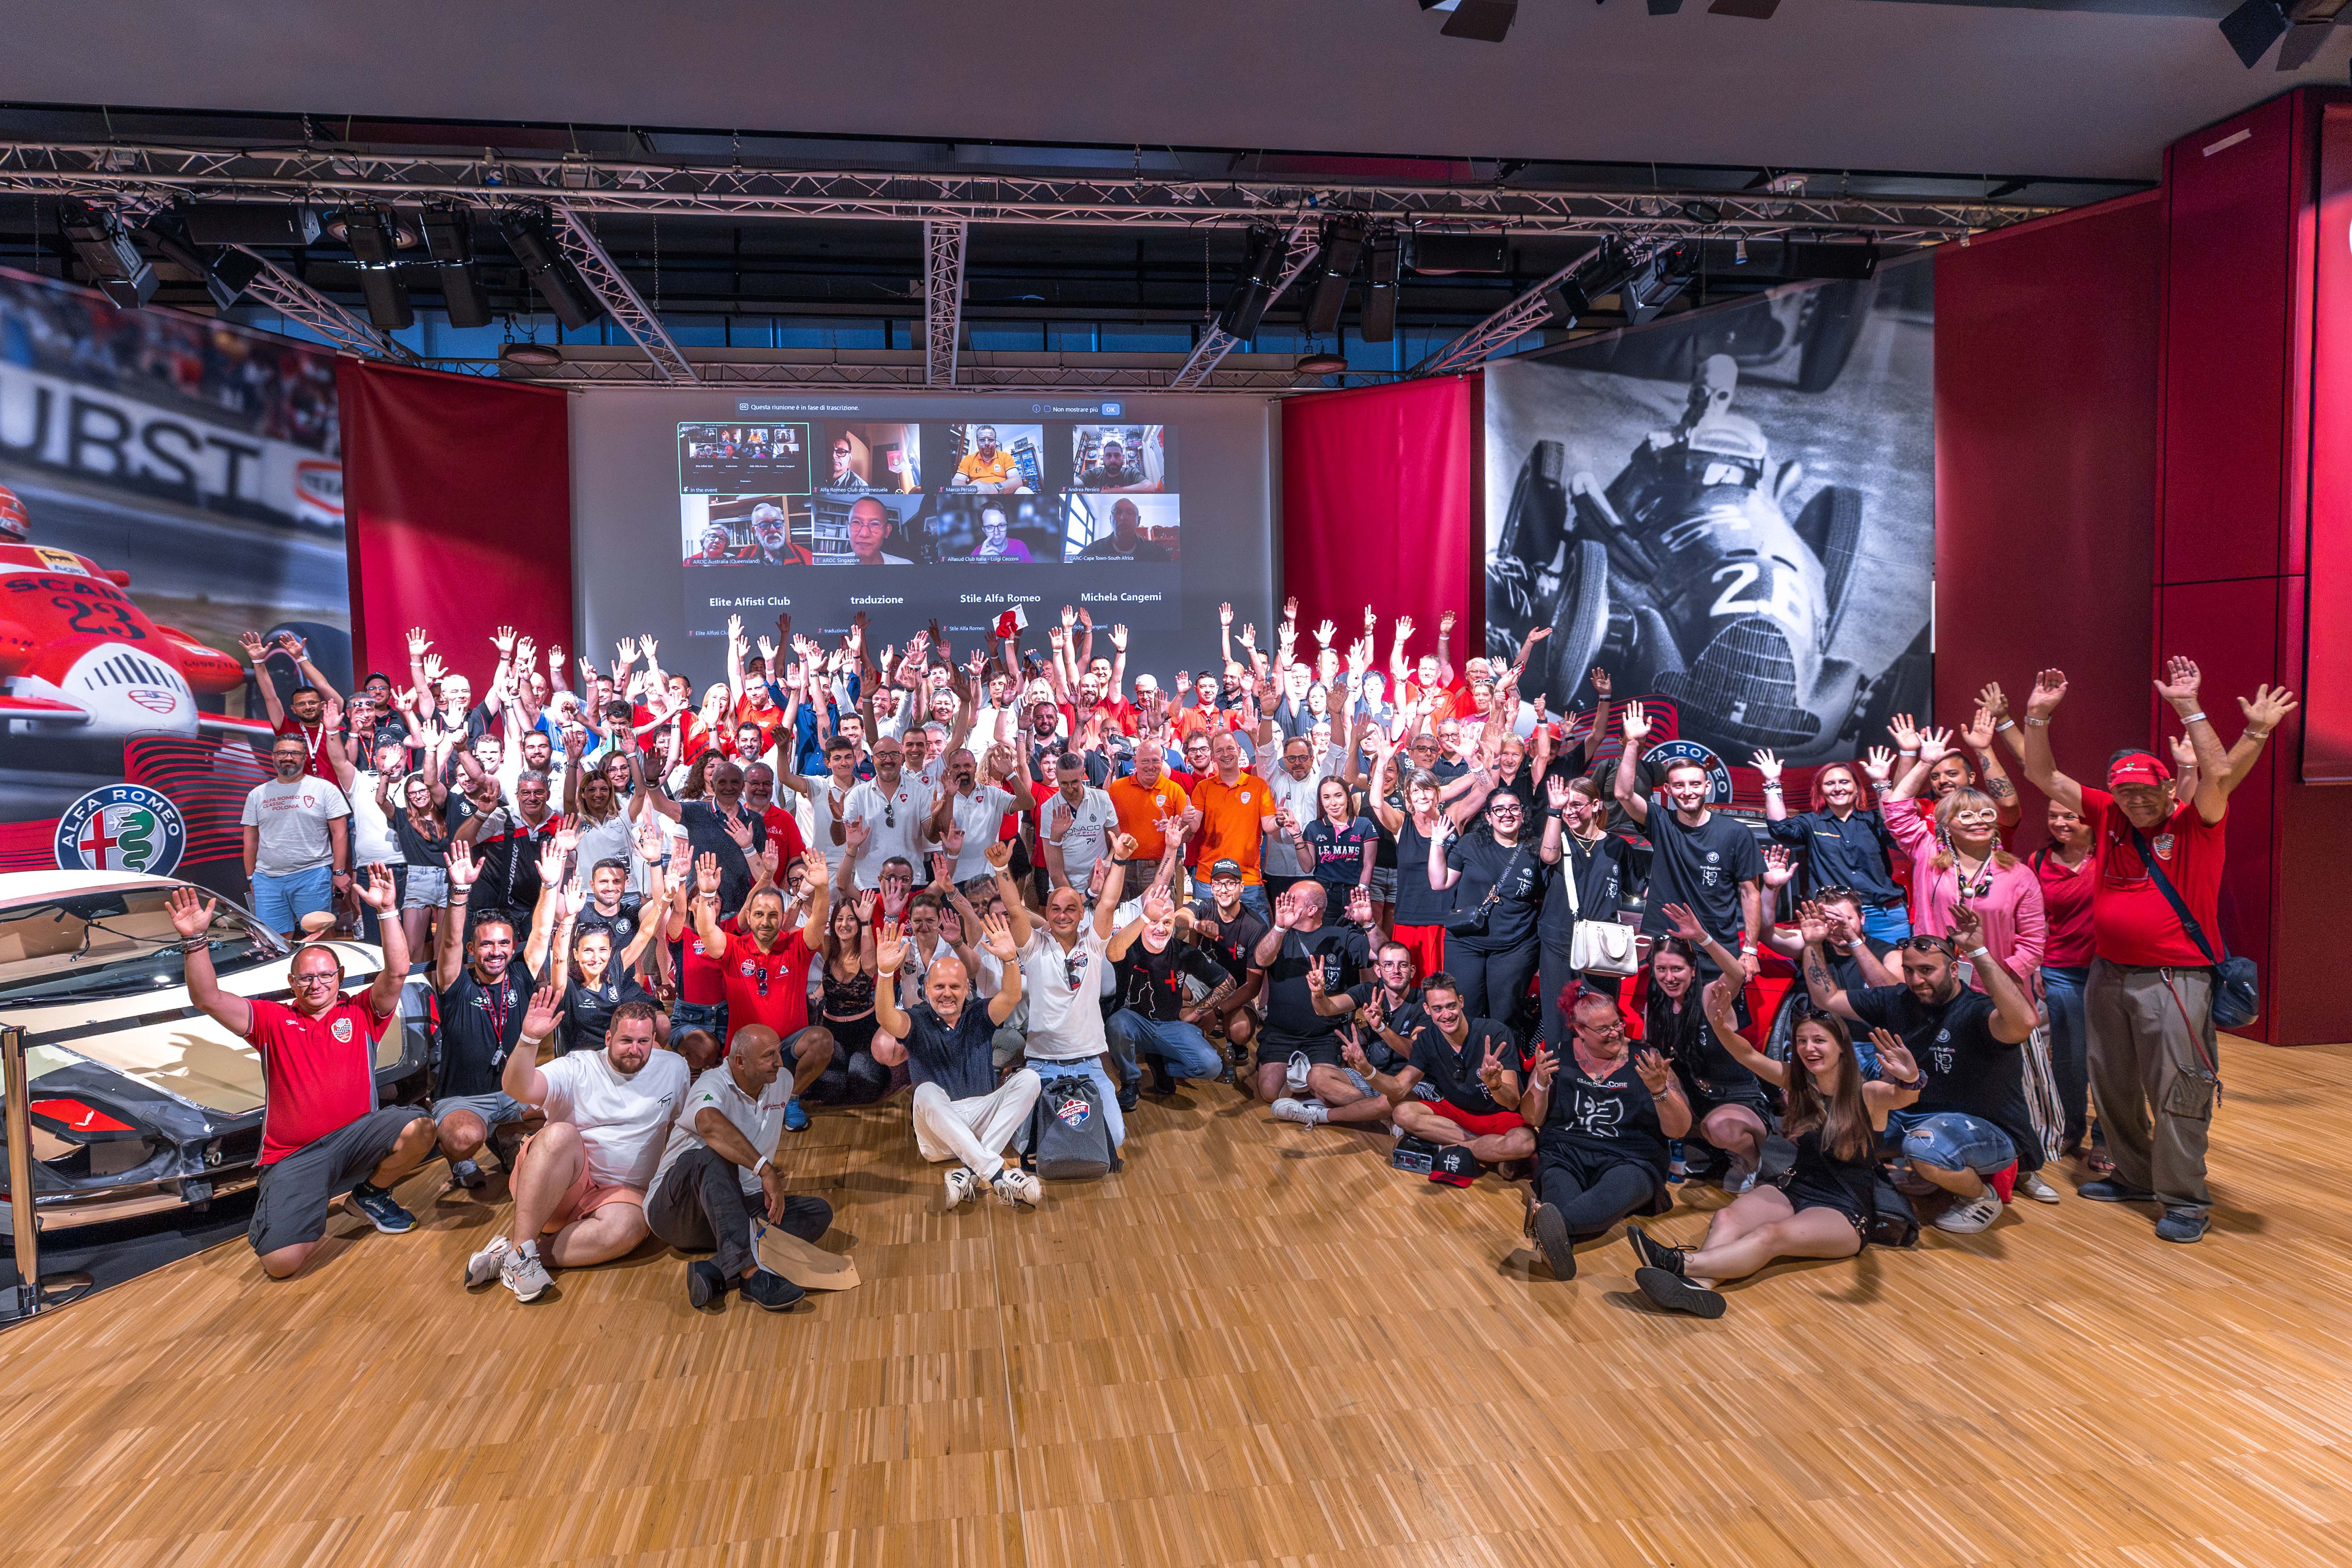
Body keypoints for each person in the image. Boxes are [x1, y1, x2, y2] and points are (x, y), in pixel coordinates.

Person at [2015, 663, 2291, 1244]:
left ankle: (2185, 1199)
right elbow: (2042, 774)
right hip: (2108, 974)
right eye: (2125, 790)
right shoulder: (2108, 813)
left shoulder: (2198, 822)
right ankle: (2134, 1175)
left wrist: (2190, 706)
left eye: (2147, 790)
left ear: (2169, 789)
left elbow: (2219, 772)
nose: (2136, 799)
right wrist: (2037, 715)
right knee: (2112, 1083)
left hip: (2174, 979)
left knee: (2179, 1088)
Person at [169, 874, 434, 1279]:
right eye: (307, 978)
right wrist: (194, 941)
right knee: (281, 1264)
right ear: (292, 983)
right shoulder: (272, 1019)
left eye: (325, 975)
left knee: (421, 1127)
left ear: (339, 976)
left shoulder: (361, 1012)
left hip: (356, 1138)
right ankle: (297, 1203)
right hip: (295, 1155)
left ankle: (371, 1195)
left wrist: (387, 911)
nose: (317, 984)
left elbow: (397, 973)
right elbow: (208, 998)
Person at [1626, 989, 1922, 1319]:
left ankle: (1679, 1263)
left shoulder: (1868, 1094)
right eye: (1802, 1041)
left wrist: (1911, 1077)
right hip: (1796, 1189)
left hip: (1845, 1209)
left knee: (1770, 1236)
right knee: (1726, 1218)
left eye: (1819, 1041)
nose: (1809, 1048)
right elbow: (1748, 1056)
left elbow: (1903, 1097)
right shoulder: (1799, 1083)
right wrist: (1720, 1027)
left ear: (1842, 1046)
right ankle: (1699, 1287)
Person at [1797, 901, 2043, 1235]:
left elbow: (2026, 1021)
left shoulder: (1978, 1011)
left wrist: (1979, 950)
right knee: (1833, 1130)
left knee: (1923, 1147)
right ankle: (1928, 1174)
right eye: (1910, 970)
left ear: (1954, 970)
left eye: (1927, 970)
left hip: (1989, 1132)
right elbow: (1827, 999)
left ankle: (1981, 1197)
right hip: (1914, 1119)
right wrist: (1813, 944)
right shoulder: (1899, 1000)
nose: (1916, 980)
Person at [467, 995, 692, 1303]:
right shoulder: (578, 1067)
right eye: (626, 1040)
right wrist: (529, 1039)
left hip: (619, 1196)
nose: (635, 1050)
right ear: (609, 1038)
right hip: (560, 1186)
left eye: (643, 1041)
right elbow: (519, 1089)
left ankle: (514, 1257)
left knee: (631, 1228)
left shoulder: (675, 1068)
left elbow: (676, 1127)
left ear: (654, 1040)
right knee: (560, 1134)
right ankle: (521, 1254)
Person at [644, 1024, 834, 1311]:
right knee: (713, 1156)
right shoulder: (711, 1083)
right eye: (769, 1056)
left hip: (731, 1212)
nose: (779, 1062)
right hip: (676, 1212)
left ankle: (717, 1269)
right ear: (740, 1062)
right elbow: (709, 1124)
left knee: (818, 1213)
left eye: (778, 1053)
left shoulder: (781, 1081)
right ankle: (751, 1276)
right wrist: (765, 1169)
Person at [872, 910, 1041, 1207]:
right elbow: (886, 1017)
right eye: (939, 987)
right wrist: (886, 974)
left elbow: (1012, 996)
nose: (947, 994)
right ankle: (998, 1173)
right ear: (927, 990)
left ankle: (970, 1171)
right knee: (925, 1093)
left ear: (966, 990)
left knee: (1030, 1079)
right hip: (938, 1135)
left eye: (955, 987)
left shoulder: (979, 1013)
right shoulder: (916, 1020)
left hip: (982, 1125)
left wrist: (1010, 960)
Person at [1518, 989, 1690, 1280]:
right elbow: (1532, 1117)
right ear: (1579, 1030)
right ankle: (1554, 1235)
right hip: (1566, 1154)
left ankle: (1545, 1227)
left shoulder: (1648, 1059)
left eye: (1617, 1023)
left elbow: (1679, 1129)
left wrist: (1660, 1090)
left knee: (1580, 1210)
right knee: (1561, 1202)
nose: (1615, 1033)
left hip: (1630, 1160)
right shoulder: (1556, 1054)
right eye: (1603, 1029)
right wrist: (1541, 1084)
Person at [432, 841, 562, 1189]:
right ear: (472, 949)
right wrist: (461, 892)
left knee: (568, 1110)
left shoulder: (520, 974)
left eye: (504, 943)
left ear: (513, 946)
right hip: (464, 1099)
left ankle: (506, 1135)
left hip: (515, 1092)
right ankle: (461, 1159)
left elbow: (541, 933)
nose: (496, 951)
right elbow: (449, 944)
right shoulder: (456, 983)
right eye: (486, 944)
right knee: (464, 1137)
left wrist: (550, 884)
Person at [688, 849, 835, 1129]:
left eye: (772, 915)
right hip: (747, 1057)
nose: (765, 922)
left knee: (822, 1040)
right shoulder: (733, 947)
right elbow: (706, 932)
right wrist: (707, 895)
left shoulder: (796, 945)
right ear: (749, 916)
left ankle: (790, 1098)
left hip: (789, 1051)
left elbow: (817, 923)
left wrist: (823, 888)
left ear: (783, 917)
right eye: (758, 914)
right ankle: (757, 1099)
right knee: (739, 1125)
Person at [1613, 701, 1763, 973]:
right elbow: (1624, 794)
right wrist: (1633, 745)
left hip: (1717, 949)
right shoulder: (1661, 822)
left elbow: (1750, 893)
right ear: (1668, 790)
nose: (1688, 791)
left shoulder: (1737, 833)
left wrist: (1750, 950)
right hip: (1665, 949)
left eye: (1695, 784)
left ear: (1707, 786)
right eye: (1679, 785)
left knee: (1718, 1005)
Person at [1005, 838, 1135, 1147]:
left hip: (1089, 1063)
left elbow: (1107, 903)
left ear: (1080, 915)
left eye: (1070, 909)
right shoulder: (1033, 947)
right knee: (1023, 1143)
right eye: (1056, 909)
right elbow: (1014, 909)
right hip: (1041, 1063)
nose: (1062, 915)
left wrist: (1120, 860)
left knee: (1115, 1138)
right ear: (1047, 913)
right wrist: (1000, 869)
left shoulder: (1093, 944)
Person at [1342, 973, 1534, 1182]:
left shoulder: (1495, 1033)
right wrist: (1367, 1070)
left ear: (1461, 1002)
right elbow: (1398, 1088)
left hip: (1499, 1116)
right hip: (1457, 1115)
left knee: (1524, 1143)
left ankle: (1442, 1150)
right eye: (1438, 1009)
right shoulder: (1427, 1039)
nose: (1447, 1015)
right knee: (1402, 1113)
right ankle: (1488, 1152)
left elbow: (1513, 1101)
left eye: (1451, 1006)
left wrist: (1496, 1086)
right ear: (1427, 1010)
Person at [1647, 910, 1772, 1189]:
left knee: (1719, 1128)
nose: (1669, 977)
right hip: (1698, 1100)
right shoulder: (1658, 1006)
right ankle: (1686, 1150)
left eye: (1677, 969)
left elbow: (1737, 973)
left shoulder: (1710, 996)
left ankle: (1750, 1160)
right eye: (1661, 969)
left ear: (1693, 970)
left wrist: (1702, 938)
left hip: (1738, 1101)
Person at [1252, 880, 1380, 1122]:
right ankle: (1310, 1096)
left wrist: (1369, 925)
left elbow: (1380, 953)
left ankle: (1316, 1103)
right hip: (1281, 1033)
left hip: (1325, 1035)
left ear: (1312, 910)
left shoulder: (1341, 936)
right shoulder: (1279, 935)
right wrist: (1279, 928)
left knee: (1326, 1089)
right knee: (1269, 1092)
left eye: (1293, 899)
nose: (1285, 902)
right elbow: (1261, 959)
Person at [1428, 784, 1546, 1042]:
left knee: (1504, 1017)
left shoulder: (1536, 851)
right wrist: (1437, 843)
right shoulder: (1471, 844)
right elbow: (1440, 882)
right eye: (1499, 809)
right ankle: (1468, 1062)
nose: (1507, 814)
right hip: (1466, 943)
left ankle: (1503, 1065)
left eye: (1514, 808)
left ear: (1523, 814)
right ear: (1489, 817)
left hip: (1514, 947)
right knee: (1465, 1011)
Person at [1756, 747, 1909, 940]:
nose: (1838, 788)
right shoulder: (1811, 823)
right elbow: (1780, 829)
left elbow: (1896, 826)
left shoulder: (1874, 820)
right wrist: (1772, 782)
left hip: (1885, 916)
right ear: (1821, 791)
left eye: (1844, 782)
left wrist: (1881, 782)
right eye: (1830, 783)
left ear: (1857, 788)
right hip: (1833, 917)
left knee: (1894, 961)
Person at [1535, 774, 1635, 1049]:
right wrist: (1554, 810)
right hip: (1559, 943)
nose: (1570, 811)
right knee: (1558, 1025)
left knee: (1602, 1022)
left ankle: (1600, 1072)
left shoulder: (1617, 847)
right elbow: (1548, 856)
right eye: (1566, 805)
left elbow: (1639, 888)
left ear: (1596, 805)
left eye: (1576, 804)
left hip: (1602, 949)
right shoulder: (1559, 839)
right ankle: (1560, 1073)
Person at [1105, 884, 1232, 1097]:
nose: (1160, 929)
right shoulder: (1130, 946)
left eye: (1167, 922)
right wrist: (1145, 917)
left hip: (1171, 1025)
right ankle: (1130, 1081)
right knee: (1117, 1023)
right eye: (1153, 921)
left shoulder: (1183, 952)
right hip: (1134, 1023)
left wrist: (1196, 1012)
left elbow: (1228, 982)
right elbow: (1112, 952)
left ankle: (1164, 1066)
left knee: (1212, 1066)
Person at [2029, 796, 2098, 1164]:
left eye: (2070, 816)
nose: (2060, 823)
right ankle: (2070, 1128)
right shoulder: (2039, 861)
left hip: (2110, 969)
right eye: (2053, 815)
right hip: (2060, 969)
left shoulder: (2112, 856)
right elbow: (2034, 917)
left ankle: (2109, 1137)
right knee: (2069, 1058)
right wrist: (2036, 965)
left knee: (2112, 1057)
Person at [241, 732, 352, 941]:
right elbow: (251, 840)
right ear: (273, 757)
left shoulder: (324, 789)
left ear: (304, 758)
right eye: (282, 753)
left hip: (312, 876)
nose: (288, 758)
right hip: (267, 881)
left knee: (319, 938)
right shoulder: (257, 795)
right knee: (275, 941)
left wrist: (338, 872)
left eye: (295, 753)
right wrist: (251, 877)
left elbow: (340, 833)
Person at [1189, 731, 1277, 919]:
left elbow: (1269, 826)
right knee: (1208, 935)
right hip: (1209, 879)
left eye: (1230, 748)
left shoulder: (1258, 786)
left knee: (1259, 934)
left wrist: (1280, 821)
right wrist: (1185, 820)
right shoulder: (1203, 788)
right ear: (1213, 756)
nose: (1226, 754)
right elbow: (1194, 825)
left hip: (1248, 879)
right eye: (1220, 750)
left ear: (1239, 750)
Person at [1297, 775, 1378, 908]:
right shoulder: (1314, 828)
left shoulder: (1364, 825)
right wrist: (1296, 835)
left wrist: (1359, 897)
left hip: (1354, 893)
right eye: (1327, 797)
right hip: (1324, 895)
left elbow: (1368, 865)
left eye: (1338, 796)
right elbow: (1307, 867)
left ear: (1347, 796)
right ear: (1321, 801)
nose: (1333, 803)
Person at [1076, 497, 1171, 560]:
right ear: (1110, 519)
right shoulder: (1091, 552)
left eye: (1130, 512)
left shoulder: (1157, 554)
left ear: (1138, 521)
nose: (1123, 518)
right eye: (1118, 512)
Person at [953, 425, 1024, 492]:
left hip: (1003, 494)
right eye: (982, 440)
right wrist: (970, 490)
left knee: (1024, 491)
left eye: (991, 440)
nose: (987, 443)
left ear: (995, 442)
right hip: (976, 496)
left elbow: (1017, 481)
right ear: (977, 442)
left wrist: (991, 489)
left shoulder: (1006, 457)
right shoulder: (968, 459)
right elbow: (957, 481)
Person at [845, 496, 913, 566]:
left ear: (887, 531)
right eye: (856, 522)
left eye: (875, 524)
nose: (864, 534)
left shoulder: (906, 566)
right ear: (847, 528)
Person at [744, 502, 815, 566]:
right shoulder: (745, 556)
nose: (773, 530)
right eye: (765, 525)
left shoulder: (807, 557)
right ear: (754, 531)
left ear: (784, 525)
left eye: (778, 523)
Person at [967, 504, 1034, 561]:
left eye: (1001, 526)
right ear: (984, 530)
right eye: (990, 527)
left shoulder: (1020, 546)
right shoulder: (976, 555)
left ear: (1007, 526)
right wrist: (981, 566)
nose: (996, 533)